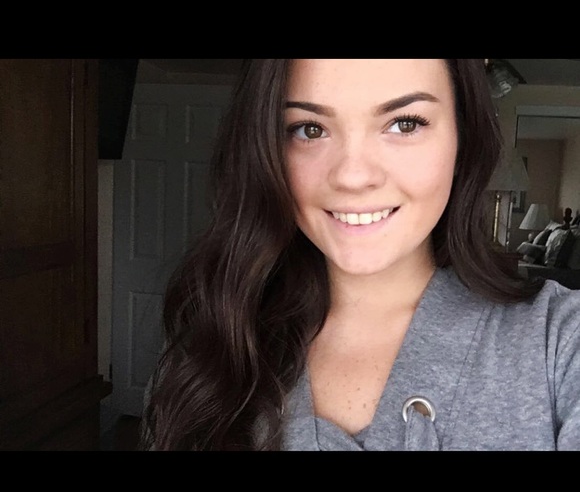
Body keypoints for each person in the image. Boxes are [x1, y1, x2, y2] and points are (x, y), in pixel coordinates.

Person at [140, 59, 580, 451]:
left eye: (404, 124)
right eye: (309, 129)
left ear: (463, 136)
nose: (352, 176)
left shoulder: (559, 343)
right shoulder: (209, 345)